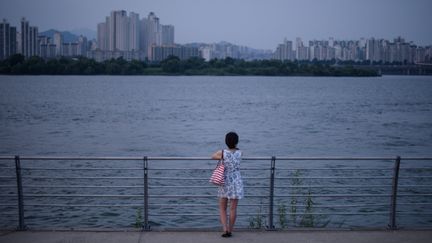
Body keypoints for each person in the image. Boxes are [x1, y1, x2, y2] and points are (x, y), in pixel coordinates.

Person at [211, 132, 244, 238]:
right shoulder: (240, 153)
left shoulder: (222, 153)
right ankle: (230, 230)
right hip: (236, 182)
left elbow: (212, 156)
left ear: (226, 141)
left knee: (222, 208)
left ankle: (225, 230)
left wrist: (222, 156)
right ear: (237, 142)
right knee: (233, 209)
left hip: (225, 182)